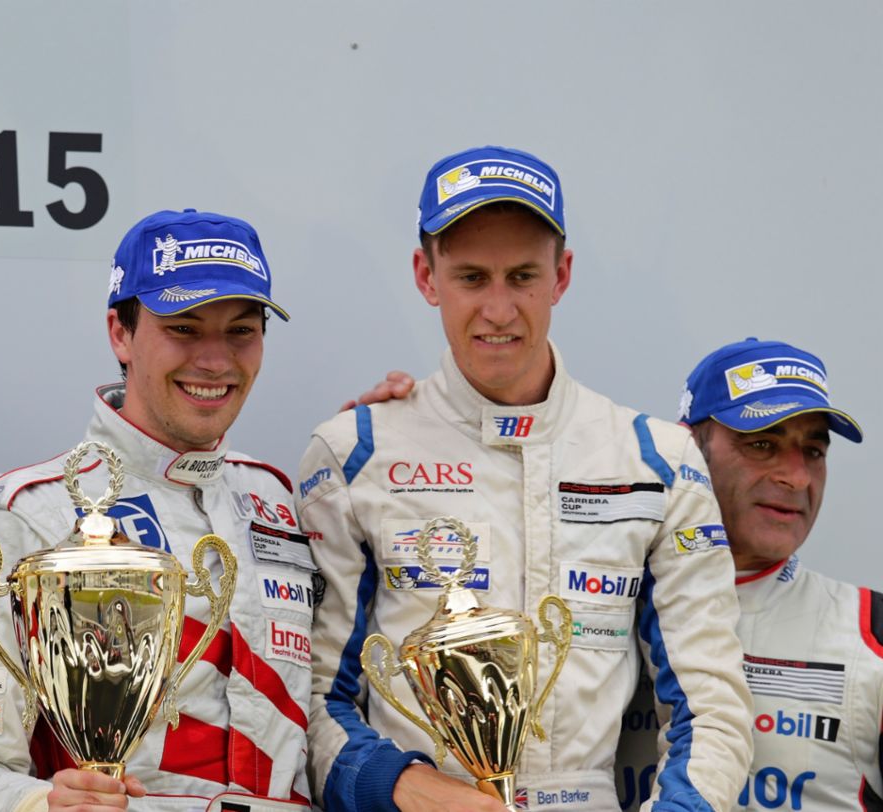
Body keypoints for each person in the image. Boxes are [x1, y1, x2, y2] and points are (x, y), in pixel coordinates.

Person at [300, 146, 753, 811]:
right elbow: (312, 698)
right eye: (472, 278)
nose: (499, 309)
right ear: (426, 277)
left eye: (522, 276)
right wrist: (406, 789)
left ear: (561, 275)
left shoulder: (656, 459)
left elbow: (712, 707)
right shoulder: (355, 453)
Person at [0, 209, 312, 812]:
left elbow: (319, 723)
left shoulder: (277, 502)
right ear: (121, 332)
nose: (216, 361)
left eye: (241, 331)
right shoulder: (24, 514)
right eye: (185, 329)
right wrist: (47, 806)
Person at [618, 337, 880, 809]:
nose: (797, 477)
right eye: (762, 444)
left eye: (814, 452)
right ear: (689, 447)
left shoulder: (871, 631)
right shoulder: (600, 608)